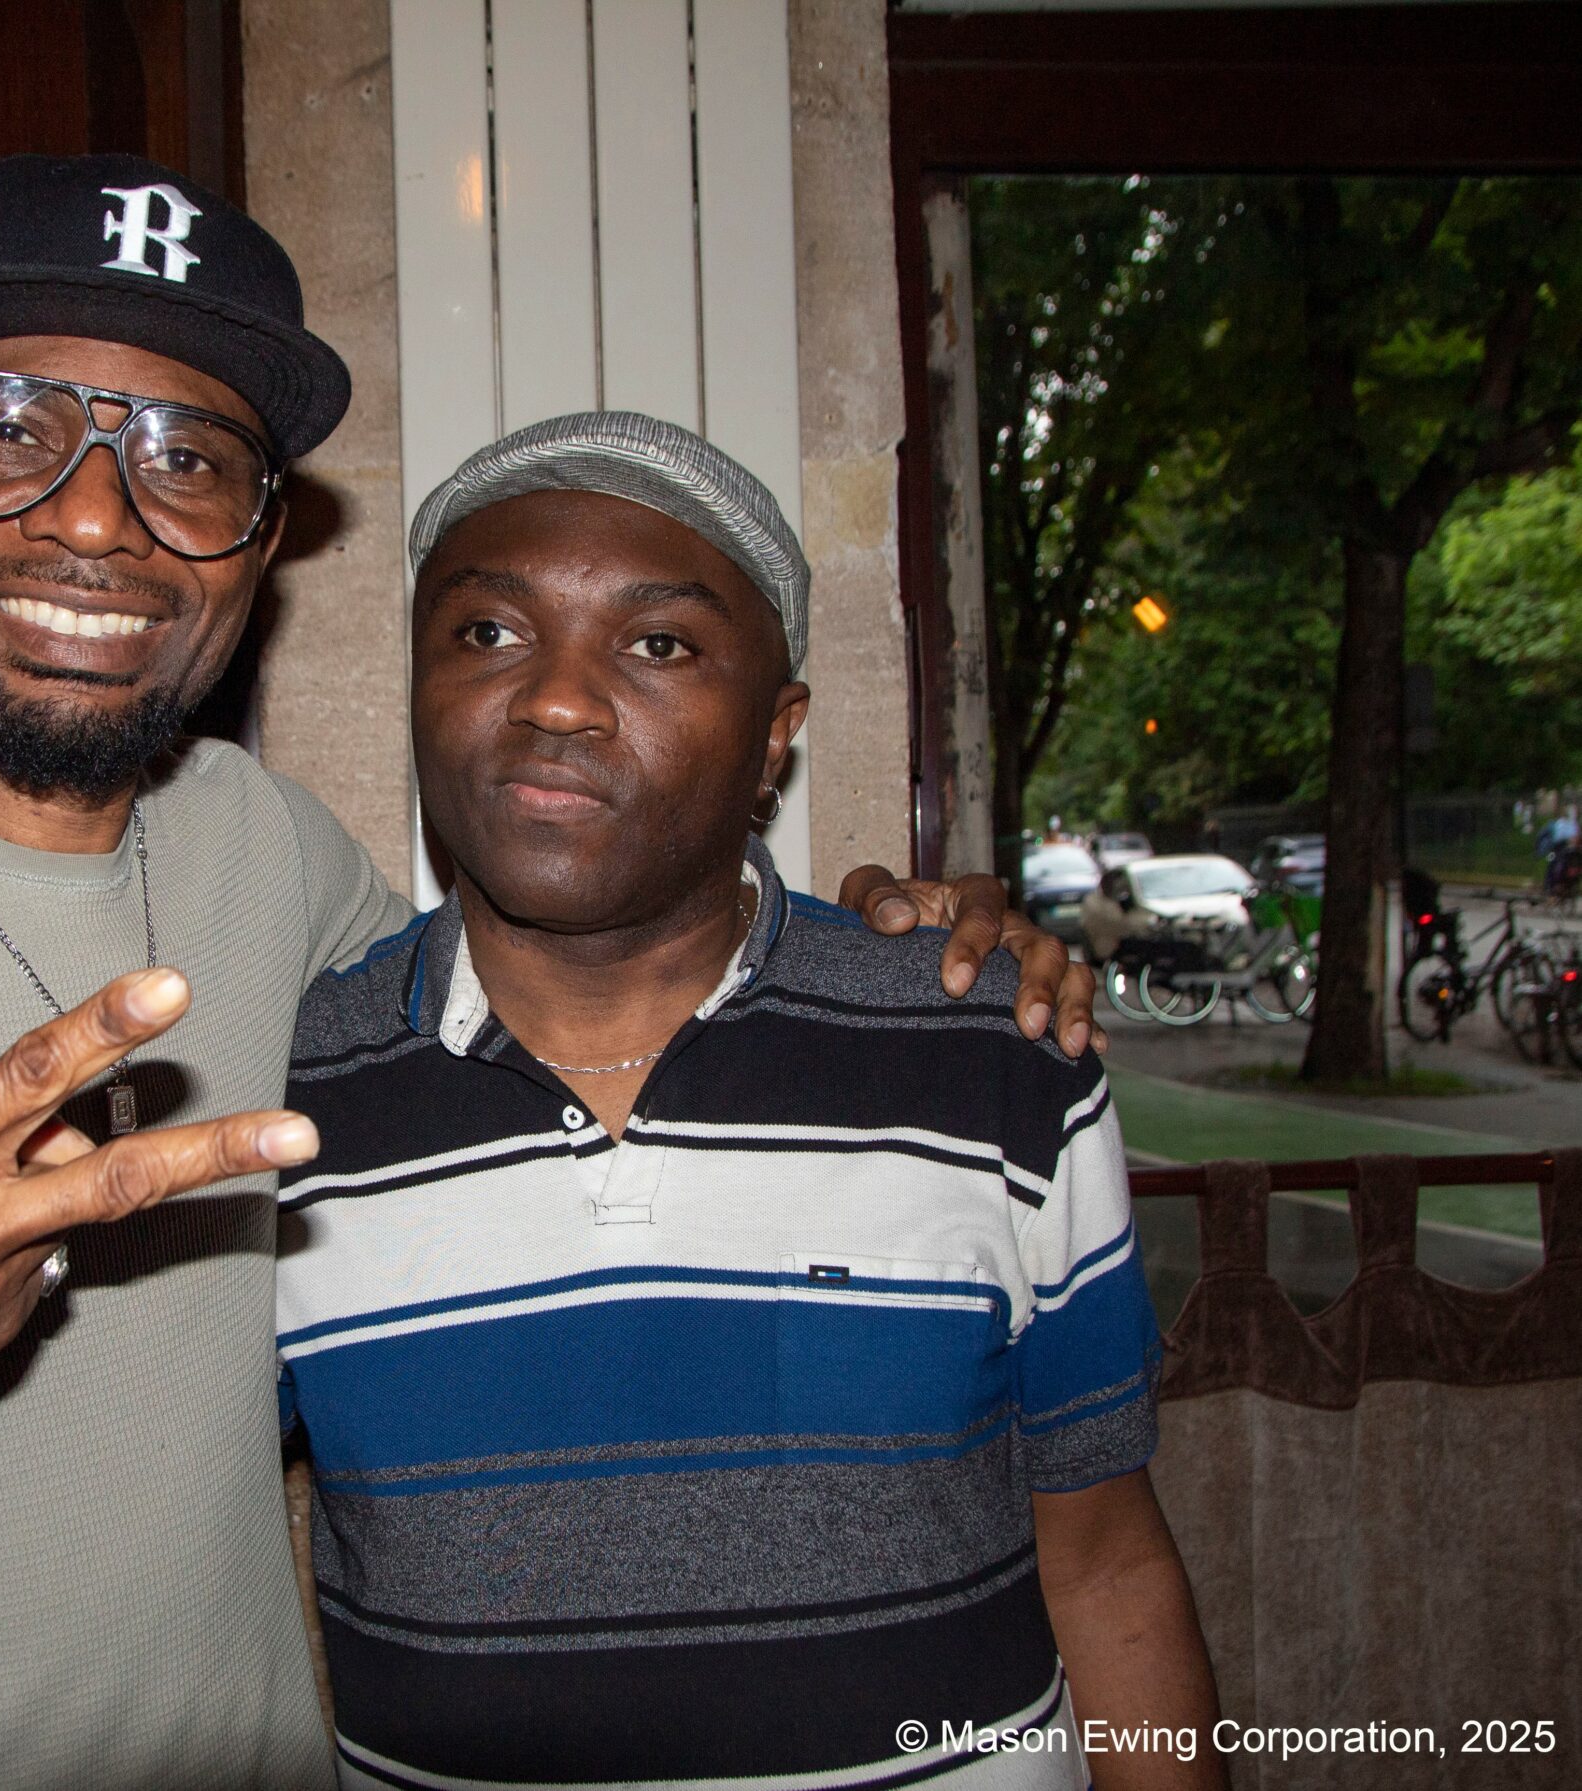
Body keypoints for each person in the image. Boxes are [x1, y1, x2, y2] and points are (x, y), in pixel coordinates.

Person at [0, 156, 1094, 1787]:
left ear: (255, 550)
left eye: (186, 460)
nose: (96, 522)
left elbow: (589, 961)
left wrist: (903, 930)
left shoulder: (277, 862)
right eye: (8, 429)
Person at [271, 415, 1220, 1789]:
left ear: (776, 735)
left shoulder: (990, 1053)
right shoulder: (283, 1102)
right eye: (486, 633)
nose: (555, 700)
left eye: (659, 644)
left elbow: (1107, 1561)